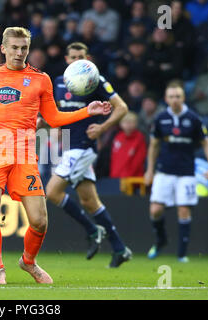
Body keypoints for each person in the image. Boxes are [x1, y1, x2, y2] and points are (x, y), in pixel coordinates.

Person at [0, 27, 111, 284]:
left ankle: (28, 262)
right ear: (3, 48)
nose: (19, 53)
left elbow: (53, 118)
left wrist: (88, 110)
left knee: (40, 221)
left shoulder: (41, 80)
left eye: (24, 48)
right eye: (15, 47)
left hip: (24, 156)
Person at [45, 42, 132, 267]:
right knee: (90, 201)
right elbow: (55, 115)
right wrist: (38, 124)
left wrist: (103, 127)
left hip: (83, 147)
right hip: (69, 147)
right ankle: (120, 248)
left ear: (88, 58)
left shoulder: (96, 80)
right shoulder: (58, 83)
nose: (76, 60)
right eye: (72, 56)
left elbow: (122, 107)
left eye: (80, 56)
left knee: (52, 192)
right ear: (66, 59)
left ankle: (93, 231)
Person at [144, 82, 208, 262]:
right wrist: (150, 170)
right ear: (166, 99)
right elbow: (153, 145)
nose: (175, 100)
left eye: (178, 96)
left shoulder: (193, 119)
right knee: (155, 210)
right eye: (171, 96)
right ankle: (161, 240)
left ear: (183, 98)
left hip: (186, 172)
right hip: (164, 171)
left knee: (183, 210)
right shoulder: (161, 119)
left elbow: (206, 142)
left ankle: (182, 254)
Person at [110, 111, 147, 178]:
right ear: (120, 123)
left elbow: (139, 160)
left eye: (131, 122)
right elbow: (114, 159)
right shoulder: (118, 137)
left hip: (133, 178)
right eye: (125, 122)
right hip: (116, 176)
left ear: (136, 123)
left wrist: (127, 175)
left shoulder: (140, 138)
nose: (128, 125)